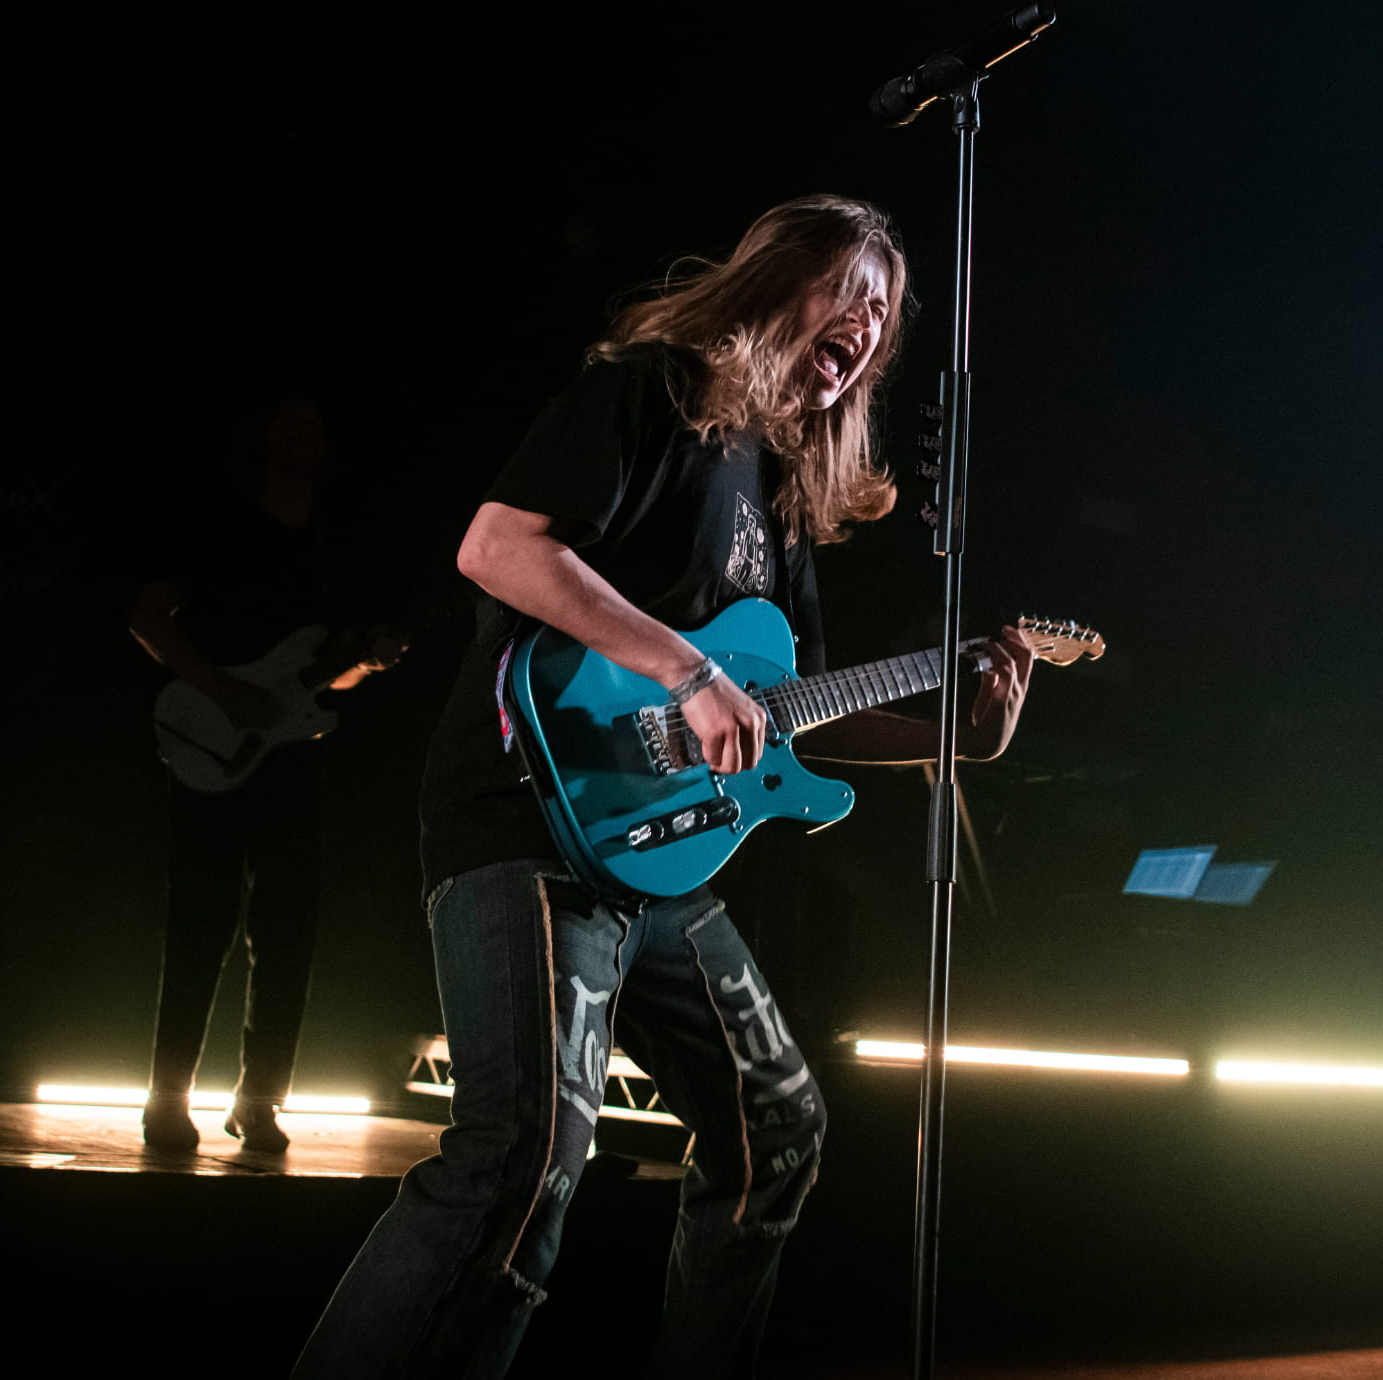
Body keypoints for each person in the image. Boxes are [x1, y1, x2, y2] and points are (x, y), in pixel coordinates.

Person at [293, 195, 1034, 1378]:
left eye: (884, 315)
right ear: (775, 283)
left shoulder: (783, 505)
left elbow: (780, 725)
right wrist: (684, 669)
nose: (865, 323)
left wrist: (962, 741)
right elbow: (497, 548)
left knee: (774, 1127)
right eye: (847, 289)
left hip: (663, 858)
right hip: (533, 815)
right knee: (519, 1161)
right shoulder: (655, 392)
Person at [128, 394, 403, 1154]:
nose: (301, 432)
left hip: (293, 760)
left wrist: (367, 662)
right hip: (209, 738)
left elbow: (328, 681)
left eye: (314, 423)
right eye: (286, 421)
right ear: (260, 437)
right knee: (199, 927)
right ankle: (165, 1099)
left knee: (288, 935)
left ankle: (258, 1103)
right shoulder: (213, 520)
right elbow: (147, 619)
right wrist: (222, 691)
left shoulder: (333, 541)